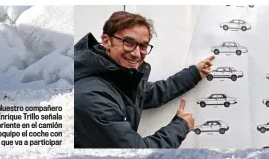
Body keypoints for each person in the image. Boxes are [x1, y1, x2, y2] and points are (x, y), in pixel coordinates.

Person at [74, 11, 215, 149]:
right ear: (106, 41)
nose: (136, 53)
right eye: (128, 42)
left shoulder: (115, 77)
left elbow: (152, 93)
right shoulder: (93, 97)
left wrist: (194, 74)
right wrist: (181, 126)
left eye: (143, 46)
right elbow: (136, 153)